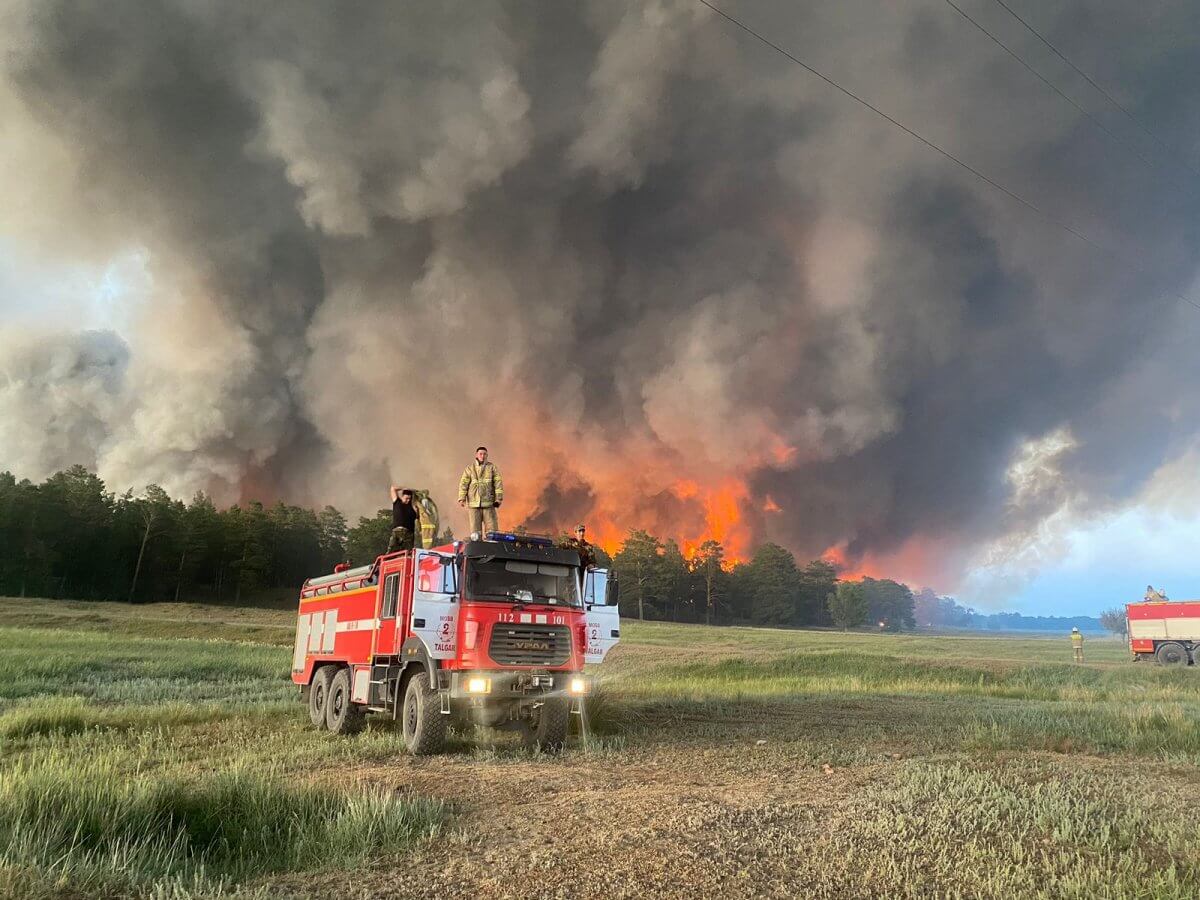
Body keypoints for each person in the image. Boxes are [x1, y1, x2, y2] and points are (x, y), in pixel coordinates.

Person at [458, 446, 503, 537]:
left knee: (492, 531)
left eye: (485, 454)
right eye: (480, 454)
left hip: (489, 504)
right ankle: (477, 545)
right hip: (473, 505)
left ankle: (492, 546)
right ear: (476, 455)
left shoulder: (492, 468)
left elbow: (498, 484)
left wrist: (499, 499)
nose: (482, 456)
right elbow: (463, 484)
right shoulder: (470, 469)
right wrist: (462, 498)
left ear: (487, 455)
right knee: (475, 533)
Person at [386, 486, 422, 553]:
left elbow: (419, 517)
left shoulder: (414, 508)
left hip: (409, 534)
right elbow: (393, 488)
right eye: (406, 498)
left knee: (408, 553)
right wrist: (405, 488)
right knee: (391, 552)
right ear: (402, 496)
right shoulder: (397, 502)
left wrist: (416, 495)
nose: (408, 500)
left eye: (409, 499)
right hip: (397, 532)